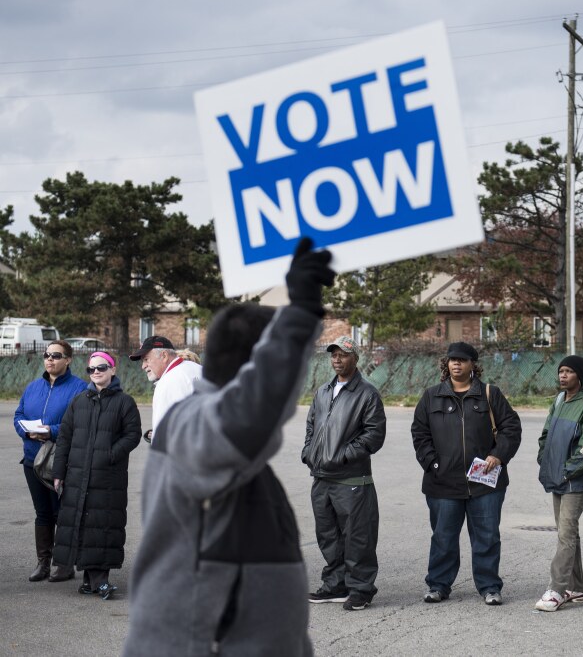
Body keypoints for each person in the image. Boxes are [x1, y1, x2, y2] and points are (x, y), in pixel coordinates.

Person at [122, 238, 335, 657]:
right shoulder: (193, 427)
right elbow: (252, 411)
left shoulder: (225, 449)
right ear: (257, 365)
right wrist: (300, 313)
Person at [411, 342, 522, 606]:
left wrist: (498, 456)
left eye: (462, 360)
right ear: (446, 364)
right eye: (452, 360)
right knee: (443, 537)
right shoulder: (431, 396)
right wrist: (433, 465)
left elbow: (511, 428)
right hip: (443, 483)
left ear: (473, 364)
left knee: (486, 536)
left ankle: (489, 587)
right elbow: (420, 434)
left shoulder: (489, 394)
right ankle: (438, 585)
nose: (456, 364)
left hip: (484, 483)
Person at [302, 335, 386, 611]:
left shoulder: (367, 394)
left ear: (355, 358)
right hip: (322, 478)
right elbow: (312, 424)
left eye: (344, 355)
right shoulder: (324, 391)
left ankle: (361, 589)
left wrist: (341, 456)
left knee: (358, 537)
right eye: (334, 355)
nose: (337, 359)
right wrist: (309, 452)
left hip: (351, 479)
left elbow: (374, 436)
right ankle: (335, 585)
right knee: (328, 536)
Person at [52, 352, 142, 600]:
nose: (96, 372)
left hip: (108, 477)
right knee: (82, 524)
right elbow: (65, 438)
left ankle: (99, 579)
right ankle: (91, 580)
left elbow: (133, 435)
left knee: (102, 526)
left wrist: (110, 455)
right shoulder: (79, 401)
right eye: (91, 369)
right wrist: (59, 471)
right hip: (77, 475)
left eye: (101, 368)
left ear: (113, 370)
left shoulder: (125, 402)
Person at [534, 355, 583, 612]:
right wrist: (546, 461)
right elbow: (546, 435)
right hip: (557, 476)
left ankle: (556, 590)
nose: (563, 376)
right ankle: (577, 588)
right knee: (569, 534)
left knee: (565, 533)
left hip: (576, 480)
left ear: (579, 376)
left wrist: (566, 471)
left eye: (569, 372)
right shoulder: (558, 400)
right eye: (561, 371)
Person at [14, 340, 88, 583]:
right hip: (33, 459)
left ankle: (65, 565)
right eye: (47, 355)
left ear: (68, 359)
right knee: (42, 513)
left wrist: (51, 431)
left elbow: (81, 423)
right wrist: (26, 431)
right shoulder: (33, 387)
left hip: (61, 460)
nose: (50, 359)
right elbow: (19, 415)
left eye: (56, 355)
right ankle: (43, 563)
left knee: (63, 513)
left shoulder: (79, 388)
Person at [129, 335, 202, 441]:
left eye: (146, 359)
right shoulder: (198, 369)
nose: (143, 366)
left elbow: (162, 436)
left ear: (164, 356)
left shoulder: (167, 383)